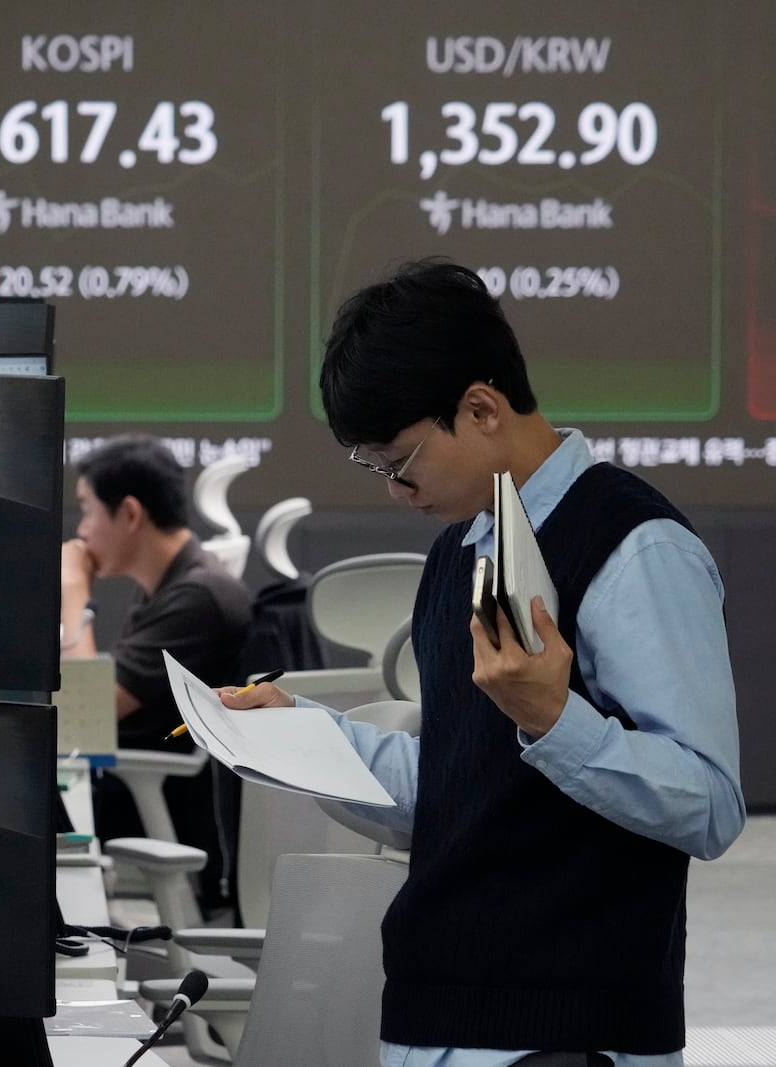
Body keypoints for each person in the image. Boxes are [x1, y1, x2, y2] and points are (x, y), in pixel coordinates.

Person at [222, 259, 744, 1066]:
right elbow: (465, 787)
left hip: (565, 1034)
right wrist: (304, 738)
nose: (396, 489)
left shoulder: (634, 546)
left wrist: (555, 718)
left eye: (400, 461)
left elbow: (708, 804)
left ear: (481, 406)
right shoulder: (458, 554)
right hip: (434, 1018)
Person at [61, 435, 253, 912]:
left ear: (129, 514)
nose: (81, 531)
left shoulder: (197, 598)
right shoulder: (172, 588)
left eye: (87, 510)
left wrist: (72, 591)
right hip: (141, 812)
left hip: (167, 831)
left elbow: (84, 716)